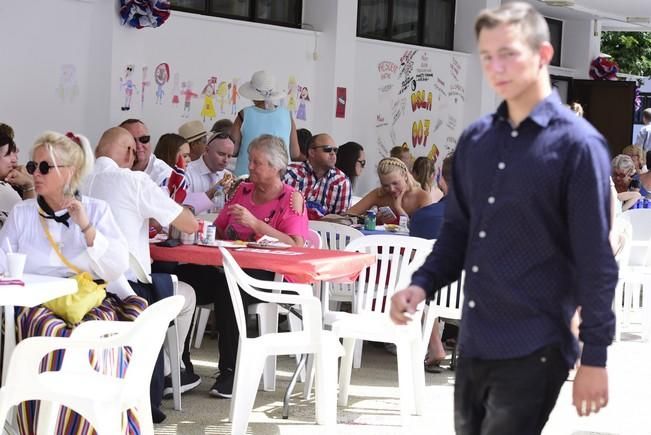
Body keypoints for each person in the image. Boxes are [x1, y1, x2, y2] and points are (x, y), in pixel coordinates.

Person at [390, 3, 617, 433]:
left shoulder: (577, 146)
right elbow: (455, 235)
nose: (497, 67)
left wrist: (596, 357)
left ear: (543, 55)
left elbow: (597, 263)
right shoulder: (476, 140)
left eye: (508, 53)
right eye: (488, 56)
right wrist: (421, 285)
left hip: (538, 343)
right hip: (477, 340)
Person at [0, 131, 149, 434]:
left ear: (69, 172)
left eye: (45, 167)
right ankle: (44, 424)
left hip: (89, 299)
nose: (36, 175)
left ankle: (86, 423)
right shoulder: (23, 213)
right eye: (33, 167)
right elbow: (4, 262)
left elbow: (115, 266)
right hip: (36, 302)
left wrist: (86, 227)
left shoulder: (95, 210)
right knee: (44, 330)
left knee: (91, 335)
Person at [82, 127, 201, 420]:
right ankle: (172, 372)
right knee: (186, 294)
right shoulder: (133, 181)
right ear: (129, 153)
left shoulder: (78, 179)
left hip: (82, 286)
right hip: (126, 290)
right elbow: (188, 224)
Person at [176, 134, 308, 399]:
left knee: (228, 287)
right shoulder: (242, 191)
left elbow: (296, 244)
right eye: (250, 160)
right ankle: (179, 367)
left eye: (257, 162)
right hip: (231, 267)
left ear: (275, 166)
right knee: (182, 278)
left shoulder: (290, 199)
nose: (250, 167)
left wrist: (256, 225)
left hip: (271, 276)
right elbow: (222, 228)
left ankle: (232, 371)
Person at [230, 70, 302, 175]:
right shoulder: (287, 115)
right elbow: (295, 153)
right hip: (279, 178)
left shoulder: (244, 115)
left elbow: (232, 150)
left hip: (247, 176)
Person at [347, 157, 431, 224]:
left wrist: (398, 208)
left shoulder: (422, 196)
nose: (391, 189)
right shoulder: (380, 193)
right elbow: (349, 214)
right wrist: (375, 220)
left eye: (395, 183)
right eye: (385, 185)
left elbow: (426, 227)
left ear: (405, 176)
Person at [284, 133, 352, 216]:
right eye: (328, 149)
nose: (333, 153)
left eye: (335, 150)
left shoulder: (342, 182)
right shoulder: (289, 173)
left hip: (325, 228)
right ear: (312, 152)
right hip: (288, 226)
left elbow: (342, 220)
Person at [121, 118, 173, 186]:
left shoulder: (165, 175)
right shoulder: (112, 165)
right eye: (132, 140)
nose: (139, 146)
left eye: (144, 139)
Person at [0, 133, 35, 228]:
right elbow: (31, 224)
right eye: (8, 154)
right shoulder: (3, 189)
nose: (14, 160)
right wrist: (29, 185)